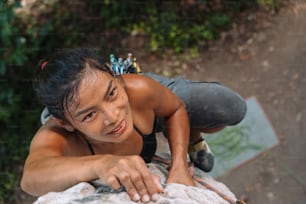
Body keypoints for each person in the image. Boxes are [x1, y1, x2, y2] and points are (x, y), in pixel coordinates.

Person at [21, 48, 247, 203]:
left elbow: (175, 109)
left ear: (116, 79)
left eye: (111, 94)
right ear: (65, 123)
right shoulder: (58, 134)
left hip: (139, 102)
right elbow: (30, 180)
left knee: (227, 107)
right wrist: (101, 164)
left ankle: (193, 137)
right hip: (84, 112)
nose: (112, 117)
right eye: (90, 115)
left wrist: (179, 164)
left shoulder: (138, 89)